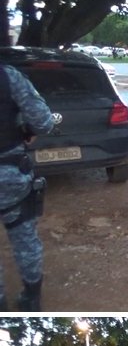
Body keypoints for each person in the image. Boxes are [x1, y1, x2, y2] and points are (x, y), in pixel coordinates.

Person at [0, 56, 57, 304]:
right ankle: (31, 298)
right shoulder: (8, 77)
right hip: (9, 175)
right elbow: (43, 122)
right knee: (24, 238)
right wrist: (27, 131)